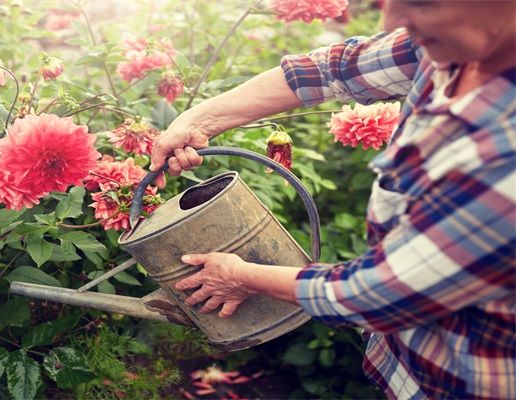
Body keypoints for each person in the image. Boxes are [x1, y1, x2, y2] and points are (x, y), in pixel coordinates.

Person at [148, 1, 516, 398]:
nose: (389, 21)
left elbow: (380, 292)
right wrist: (200, 120)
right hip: (407, 360)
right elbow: (333, 68)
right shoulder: (461, 42)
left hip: (463, 381)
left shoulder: (504, 151)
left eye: (421, 4)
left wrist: (240, 275)